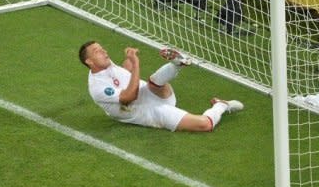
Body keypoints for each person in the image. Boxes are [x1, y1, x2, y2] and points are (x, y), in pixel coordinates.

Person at [78, 41, 243, 132]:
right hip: (149, 111)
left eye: (102, 48)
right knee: (204, 124)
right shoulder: (97, 86)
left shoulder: (107, 64)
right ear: (89, 62)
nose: (105, 52)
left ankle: (177, 64)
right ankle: (221, 105)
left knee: (152, 82)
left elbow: (124, 73)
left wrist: (130, 57)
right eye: (98, 51)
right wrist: (136, 64)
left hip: (158, 93)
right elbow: (129, 97)